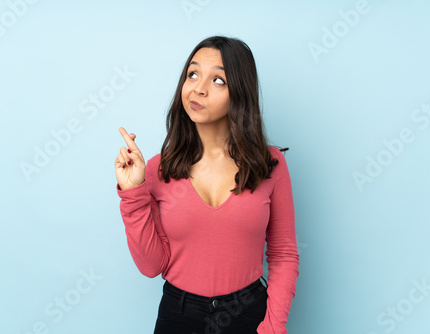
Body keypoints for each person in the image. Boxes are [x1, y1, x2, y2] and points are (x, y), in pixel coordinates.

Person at [114, 35, 299, 334]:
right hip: (178, 315)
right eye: (193, 74)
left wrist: (273, 328)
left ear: (239, 92)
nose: (198, 88)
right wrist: (132, 194)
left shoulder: (270, 165)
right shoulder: (158, 168)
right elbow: (151, 266)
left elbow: (283, 253)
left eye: (218, 81)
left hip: (249, 313)